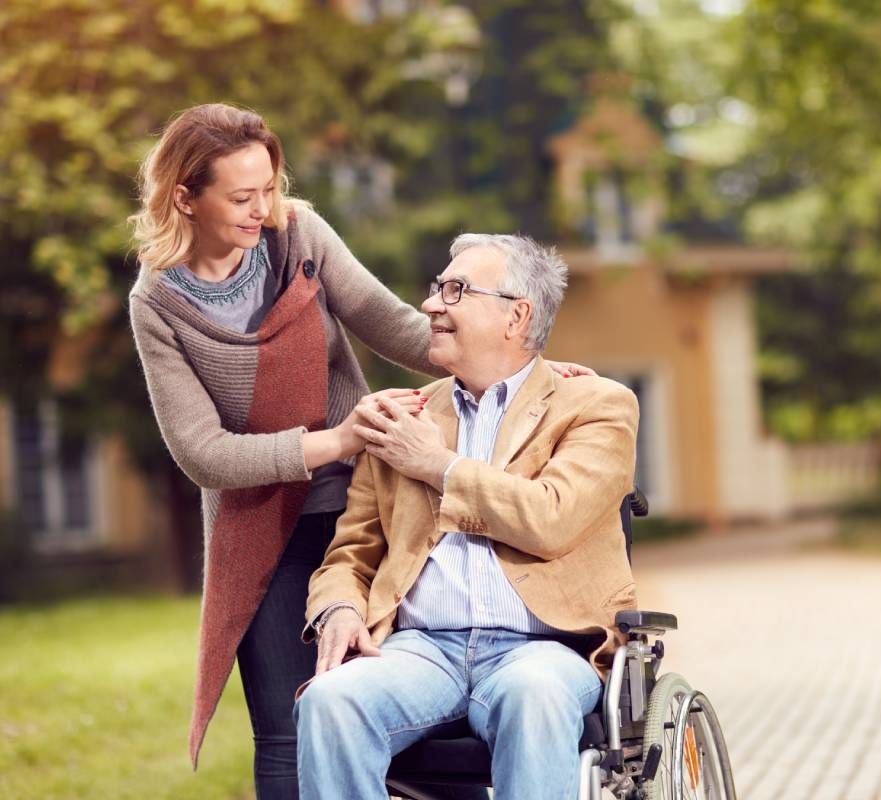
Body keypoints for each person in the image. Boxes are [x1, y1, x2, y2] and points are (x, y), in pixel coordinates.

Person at [127, 103, 591, 799]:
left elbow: (392, 324)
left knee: (428, 693)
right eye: (243, 197)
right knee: (289, 725)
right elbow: (203, 454)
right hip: (260, 528)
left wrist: (528, 374)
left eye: (270, 188)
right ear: (185, 197)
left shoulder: (297, 236)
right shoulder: (158, 304)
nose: (264, 210)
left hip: (366, 499)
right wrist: (337, 439)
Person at [293, 233, 640, 800]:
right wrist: (337, 609)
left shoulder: (599, 406)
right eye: (437, 289)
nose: (431, 304)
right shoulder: (403, 414)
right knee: (331, 700)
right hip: (420, 649)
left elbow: (551, 517)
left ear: (515, 316)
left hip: (543, 648)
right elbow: (351, 554)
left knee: (535, 695)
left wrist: (437, 465)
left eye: (455, 290)